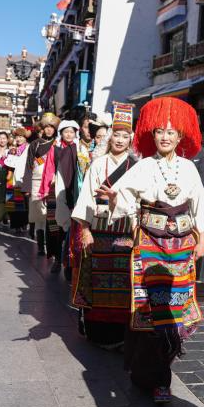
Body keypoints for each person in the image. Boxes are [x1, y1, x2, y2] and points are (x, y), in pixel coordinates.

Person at [103, 97, 204, 403]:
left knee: (175, 315)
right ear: (151, 135)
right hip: (150, 245)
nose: (165, 136)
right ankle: (156, 379)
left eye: (171, 131)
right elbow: (124, 199)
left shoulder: (189, 169)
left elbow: (199, 206)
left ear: (182, 136)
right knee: (151, 313)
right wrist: (114, 199)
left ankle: (157, 373)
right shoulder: (143, 166)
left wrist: (203, 239)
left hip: (182, 247)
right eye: (159, 131)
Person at [71, 109, 137, 347]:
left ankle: (122, 334)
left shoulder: (136, 167)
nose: (120, 140)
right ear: (110, 137)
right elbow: (86, 198)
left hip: (126, 232)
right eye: (116, 135)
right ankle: (97, 331)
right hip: (98, 230)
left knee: (124, 284)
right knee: (96, 281)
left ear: (131, 140)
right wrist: (86, 230)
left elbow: (140, 202)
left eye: (125, 136)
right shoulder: (98, 164)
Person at [42, 120, 83, 273]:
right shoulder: (55, 149)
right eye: (66, 132)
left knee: (74, 228)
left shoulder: (80, 149)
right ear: (61, 133)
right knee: (56, 228)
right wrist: (45, 190)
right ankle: (57, 259)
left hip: (75, 190)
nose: (69, 134)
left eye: (72, 132)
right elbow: (48, 169)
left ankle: (69, 262)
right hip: (57, 189)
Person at [22, 113, 61, 257]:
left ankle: (50, 244)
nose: (49, 130)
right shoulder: (35, 144)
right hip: (36, 182)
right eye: (46, 127)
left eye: (52, 127)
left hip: (52, 183)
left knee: (49, 214)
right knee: (38, 215)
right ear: (42, 129)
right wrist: (26, 186)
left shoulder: (58, 144)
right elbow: (29, 165)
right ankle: (40, 245)